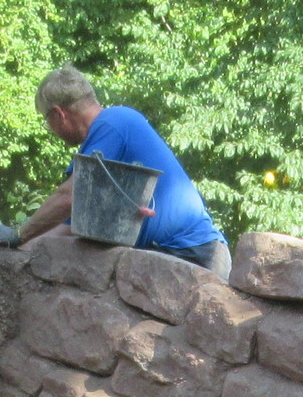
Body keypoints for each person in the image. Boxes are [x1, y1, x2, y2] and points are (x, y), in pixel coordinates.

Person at [14, 66, 232, 277]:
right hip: (190, 252)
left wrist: (18, 235)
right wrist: (19, 250)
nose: (50, 130)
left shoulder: (111, 124)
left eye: (47, 121)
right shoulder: (111, 130)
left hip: (193, 253)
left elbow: (68, 197)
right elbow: (68, 226)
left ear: (58, 114)